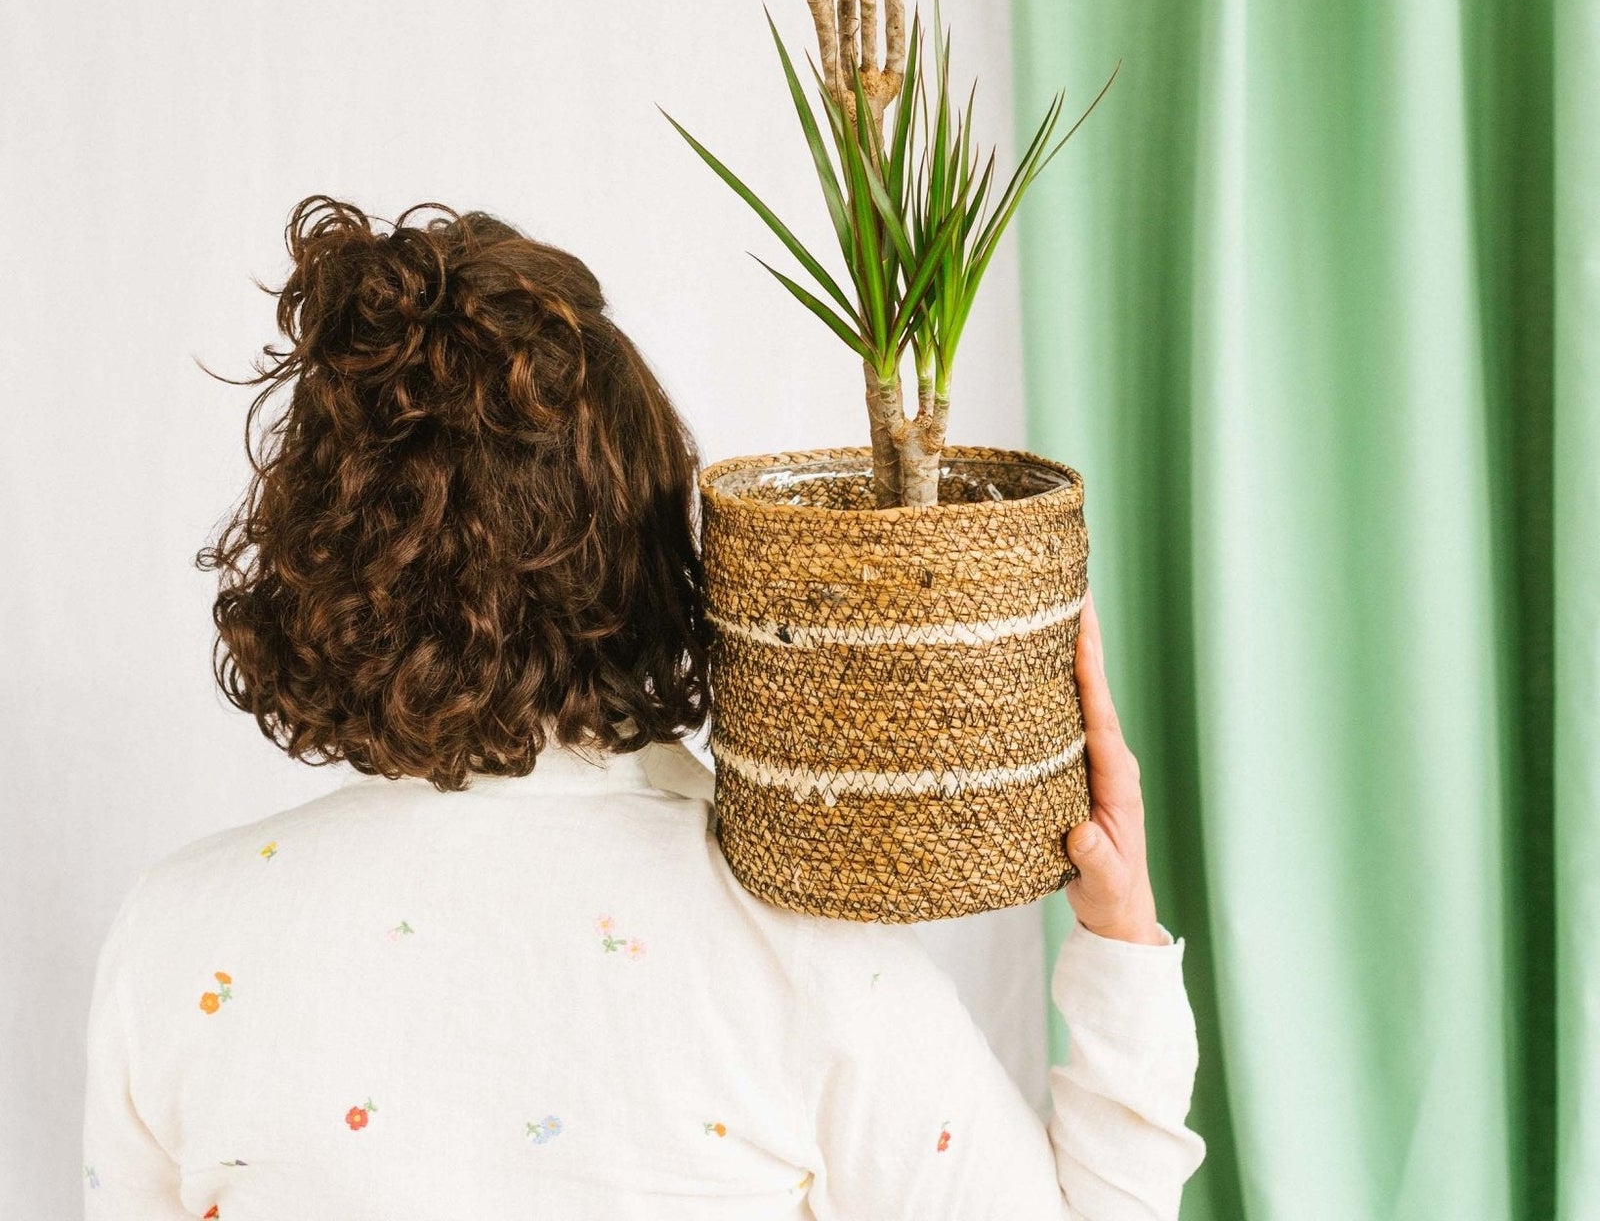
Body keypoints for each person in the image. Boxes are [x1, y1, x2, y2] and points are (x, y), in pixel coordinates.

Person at [82, 197, 1207, 1219]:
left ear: (323, 552)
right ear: (648, 538)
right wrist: (1119, 936)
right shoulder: (797, 943)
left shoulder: (176, 933)